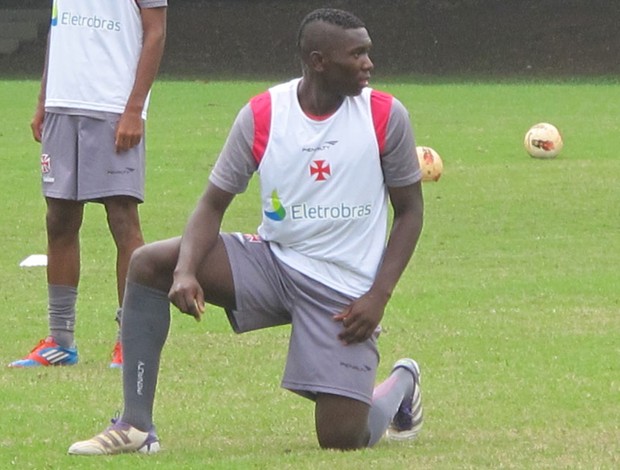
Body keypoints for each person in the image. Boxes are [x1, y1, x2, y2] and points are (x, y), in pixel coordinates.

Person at [68, 8, 424, 455]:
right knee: (149, 263)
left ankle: (400, 383)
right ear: (318, 61)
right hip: (273, 263)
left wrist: (378, 296)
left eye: (367, 53)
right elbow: (211, 205)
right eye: (357, 55)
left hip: (344, 290)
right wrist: (185, 271)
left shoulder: (385, 116)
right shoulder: (264, 114)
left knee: (341, 438)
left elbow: (410, 213)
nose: (369, 64)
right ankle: (135, 425)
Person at [8, 0, 167, 369]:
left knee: (123, 219)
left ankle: (131, 341)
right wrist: (43, 99)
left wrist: (134, 109)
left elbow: (155, 31)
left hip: (112, 107)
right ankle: (60, 341)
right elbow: (59, 28)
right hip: (64, 106)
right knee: (58, 219)